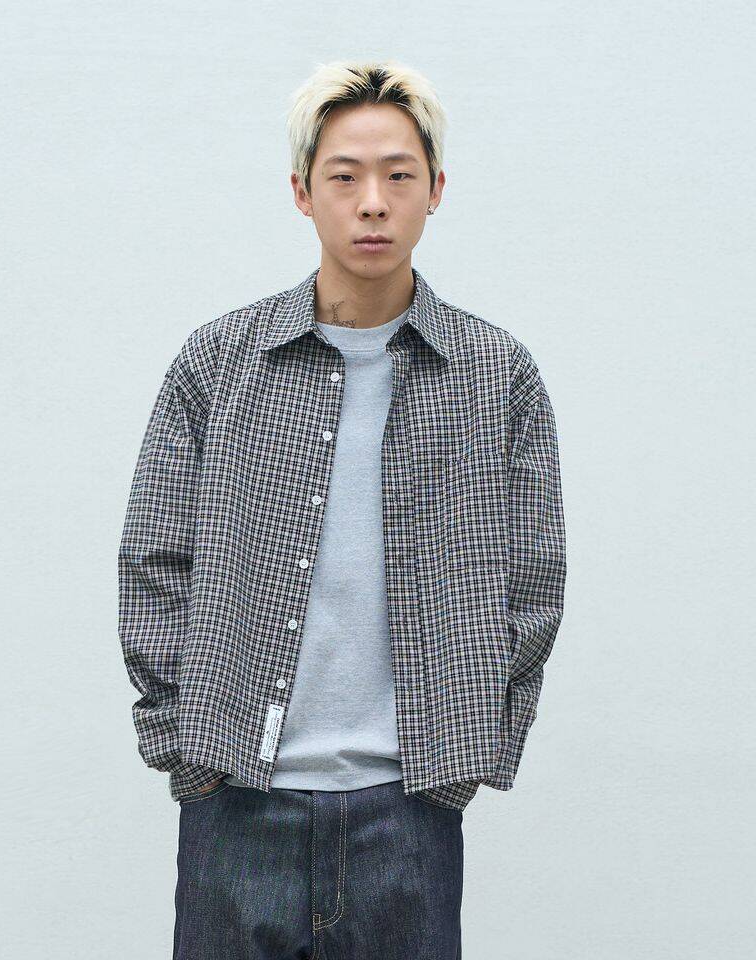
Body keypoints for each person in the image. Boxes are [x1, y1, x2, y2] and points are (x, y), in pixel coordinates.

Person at [118, 57, 567, 960]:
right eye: (344, 177)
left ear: (435, 191)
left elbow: (534, 581)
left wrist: (470, 753)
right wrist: (183, 749)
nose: (373, 204)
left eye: (399, 176)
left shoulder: (497, 377)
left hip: (410, 810)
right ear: (302, 192)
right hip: (236, 800)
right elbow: (154, 559)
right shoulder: (219, 363)